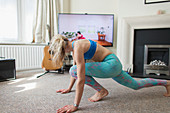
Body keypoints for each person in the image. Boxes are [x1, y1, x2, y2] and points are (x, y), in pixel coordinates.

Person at [49, 34, 170, 113]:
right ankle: (166, 83)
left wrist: (75, 105)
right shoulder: (75, 46)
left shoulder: (78, 48)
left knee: (73, 70)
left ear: (61, 50)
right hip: (114, 65)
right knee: (135, 85)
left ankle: (102, 91)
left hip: (110, 65)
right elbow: (76, 71)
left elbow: (80, 77)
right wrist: (69, 88)